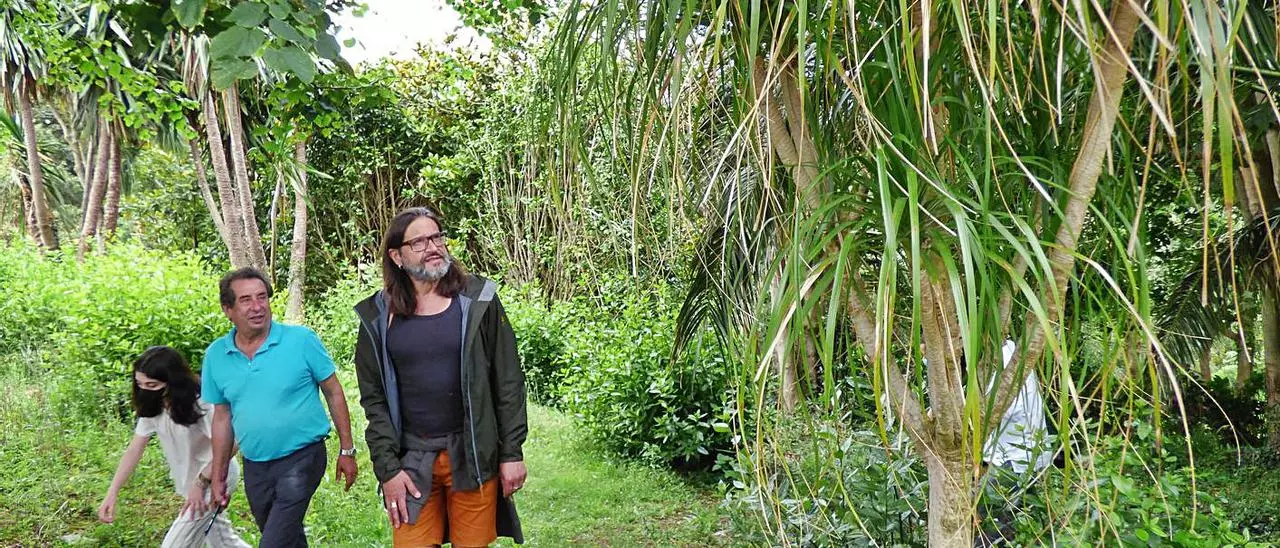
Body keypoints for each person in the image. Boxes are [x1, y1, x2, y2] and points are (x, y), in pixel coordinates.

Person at [354, 206, 528, 547]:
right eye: (418, 242)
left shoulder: (478, 300)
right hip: (411, 459)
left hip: (472, 455)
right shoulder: (378, 316)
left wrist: (511, 453)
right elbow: (374, 401)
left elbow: (508, 380)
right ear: (397, 256)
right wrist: (388, 470)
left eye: (436, 237)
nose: (432, 247)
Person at [201, 268, 359, 547]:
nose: (257, 306)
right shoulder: (216, 355)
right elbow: (222, 418)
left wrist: (347, 450)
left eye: (262, 297)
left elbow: (334, 391)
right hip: (255, 464)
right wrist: (218, 476)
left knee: (273, 543)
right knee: (288, 539)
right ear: (228, 309)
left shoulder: (301, 340)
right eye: (246, 300)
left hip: (303, 457)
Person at [97, 346, 251, 548]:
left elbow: (231, 442)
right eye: (140, 384)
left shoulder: (202, 402)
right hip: (188, 481)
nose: (145, 389)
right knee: (223, 542)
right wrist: (113, 491)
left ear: (172, 381)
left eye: (152, 384)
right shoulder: (154, 403)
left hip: (214, 476)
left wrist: (202, 482)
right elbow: (135, 448)